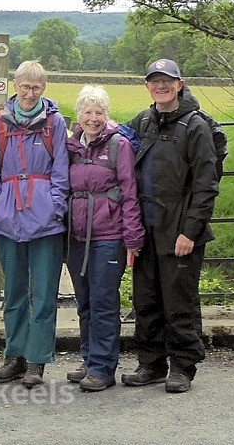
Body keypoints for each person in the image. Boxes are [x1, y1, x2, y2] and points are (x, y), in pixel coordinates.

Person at [122, 59, 218, 393]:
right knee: (146, 299)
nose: (160, 86)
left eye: (167, 81)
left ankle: (182, 365)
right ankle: (151, 363)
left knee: (179, 300)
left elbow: (206, 184)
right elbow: (114, 137)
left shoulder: (195, 127)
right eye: (154, 81)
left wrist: (190, 231)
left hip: (179, 227)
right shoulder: (144, 120)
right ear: (147, 86)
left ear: (180, 84)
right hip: (146, 226)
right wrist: (81, 130)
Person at [0, 60, 69, 388]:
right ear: (15, 85)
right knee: (14, 291)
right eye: (25, 86)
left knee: (43, 293)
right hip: (9, 217)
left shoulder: (54, 123)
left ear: (44, 89)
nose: (30, 93)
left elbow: (62, 169)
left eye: (36, 87)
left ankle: (37, 361)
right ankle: (14, 356)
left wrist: (55, 207)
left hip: (46, 220)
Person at [64, 85, 144, 392]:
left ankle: (103, 367)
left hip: (108, 235)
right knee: (84, 302)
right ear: (79, 115)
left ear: (106, 115)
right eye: (87, 111)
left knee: (103, 302)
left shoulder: (119, 145)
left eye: (99, 112)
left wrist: (132, 238)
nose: (93, 118)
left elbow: (130, 192)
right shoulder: (72, 147)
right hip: (77, 236)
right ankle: (89, 359)